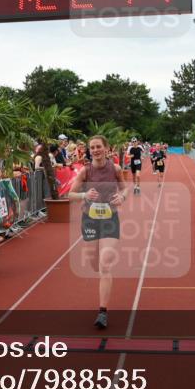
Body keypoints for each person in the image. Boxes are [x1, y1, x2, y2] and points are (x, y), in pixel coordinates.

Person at [69, 135, 128, 329]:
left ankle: (102, 312)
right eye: (92, 147)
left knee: (105, 264)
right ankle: (98, 266)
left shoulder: (116, 169)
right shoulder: (85, 171)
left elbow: (125, 189)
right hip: (90, 219)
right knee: (94, 262)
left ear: (106, 148)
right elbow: (69, 194)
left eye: (98, 147)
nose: (95, 150)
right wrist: (84, 194)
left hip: (110, 218)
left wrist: (122, 197)